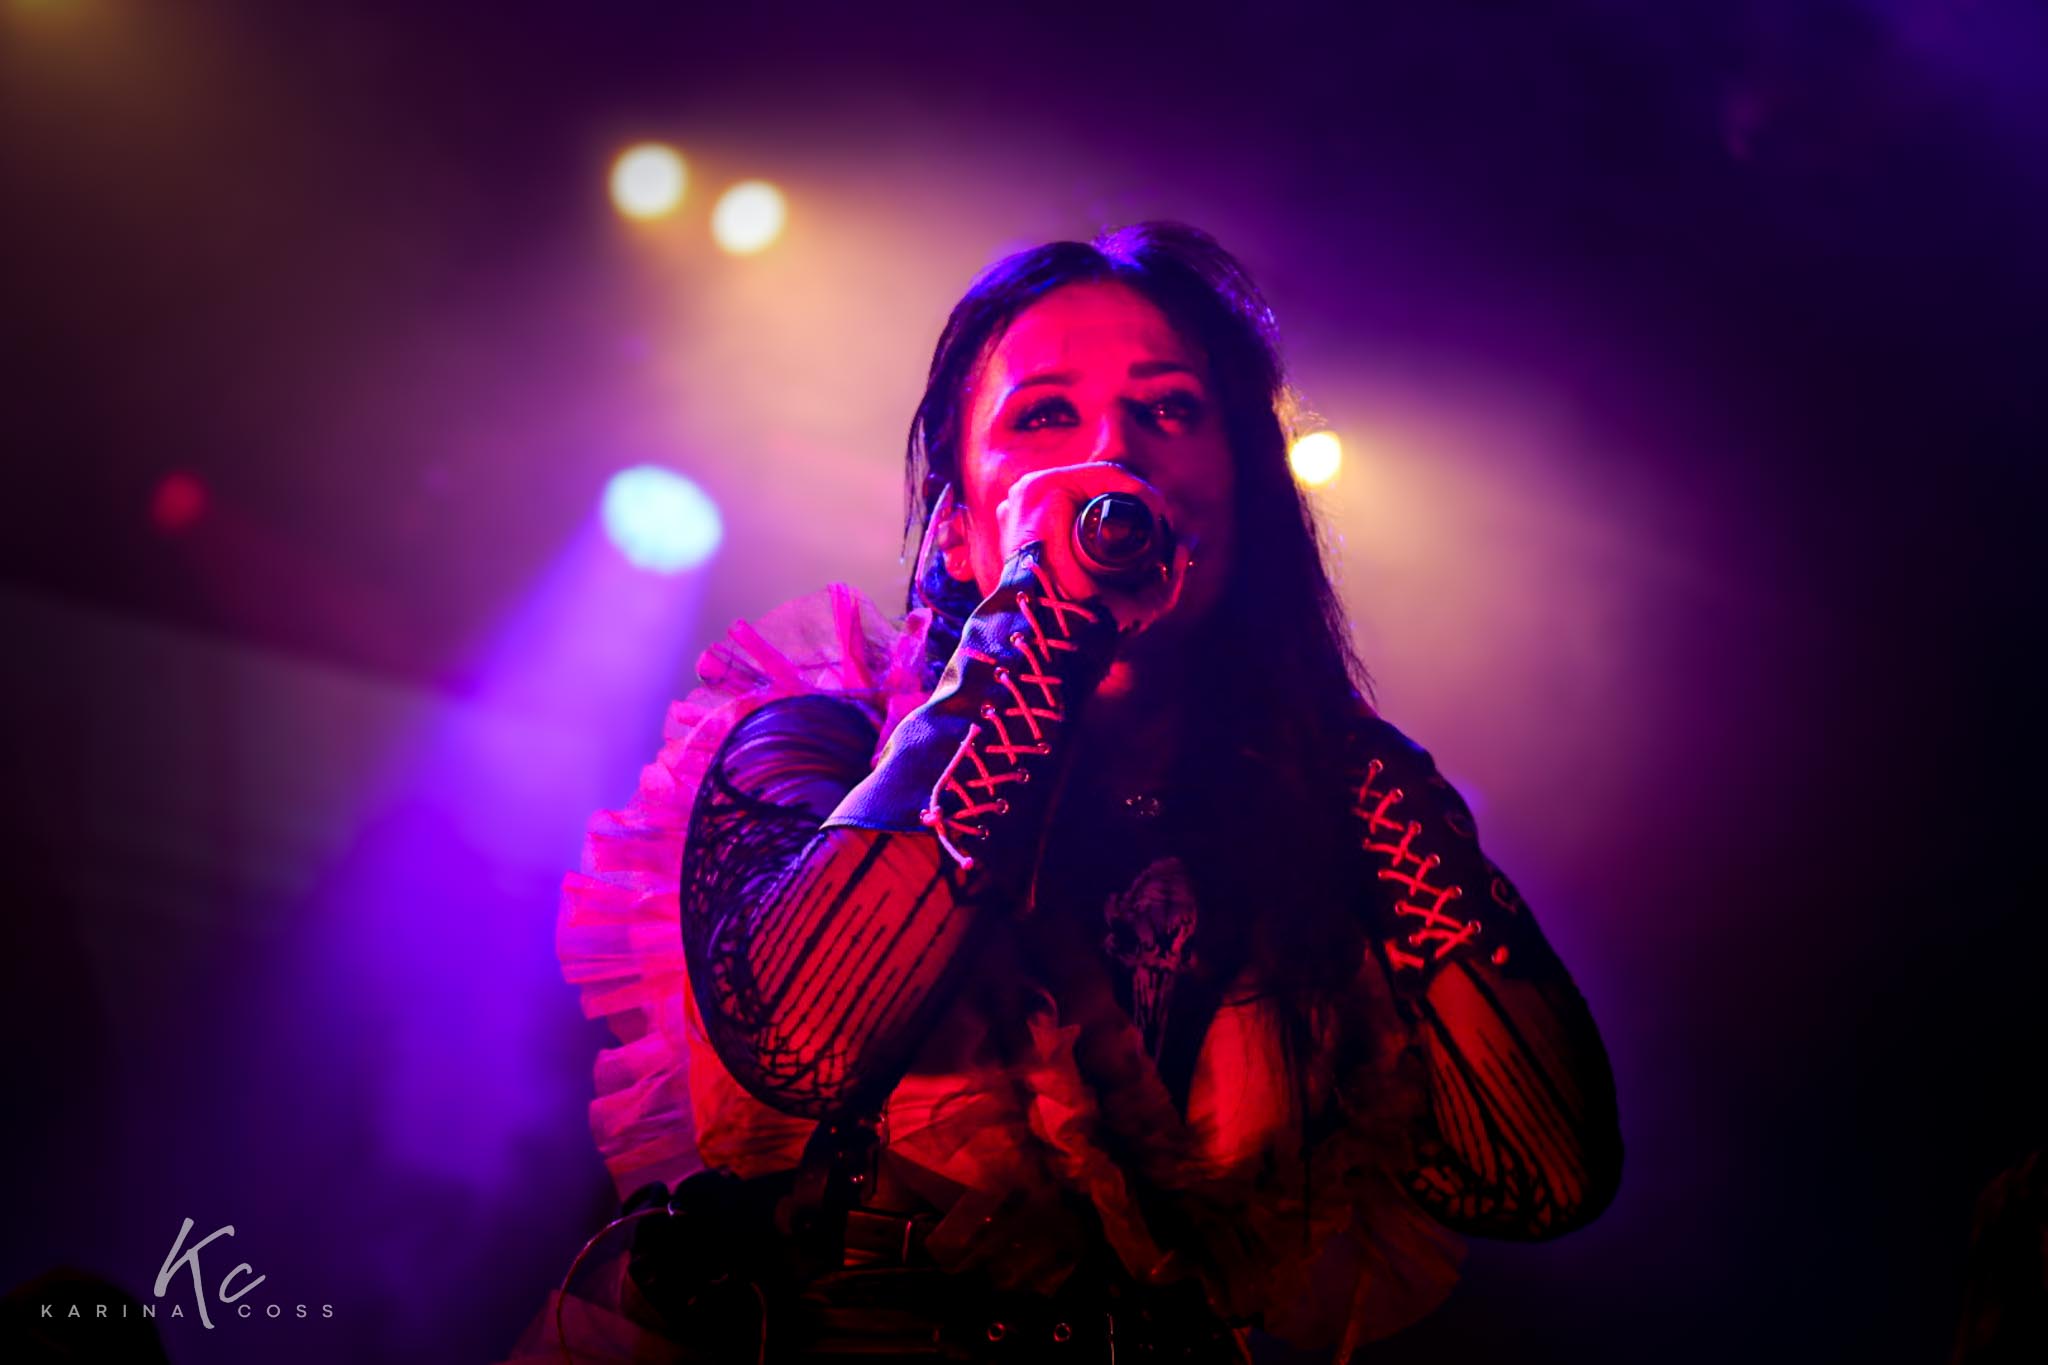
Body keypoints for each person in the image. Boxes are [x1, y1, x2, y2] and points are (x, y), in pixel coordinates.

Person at [533, 222, 1623, 1365]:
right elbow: (807, 1045)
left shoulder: (1318, 813)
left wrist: (1354, 770)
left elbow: (1542, 1174)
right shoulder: (817, 745)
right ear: (958, 532)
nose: (1112, 452)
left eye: (1169, 411)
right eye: (1045, 417)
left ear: (1242, 505)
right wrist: (1037, 635)